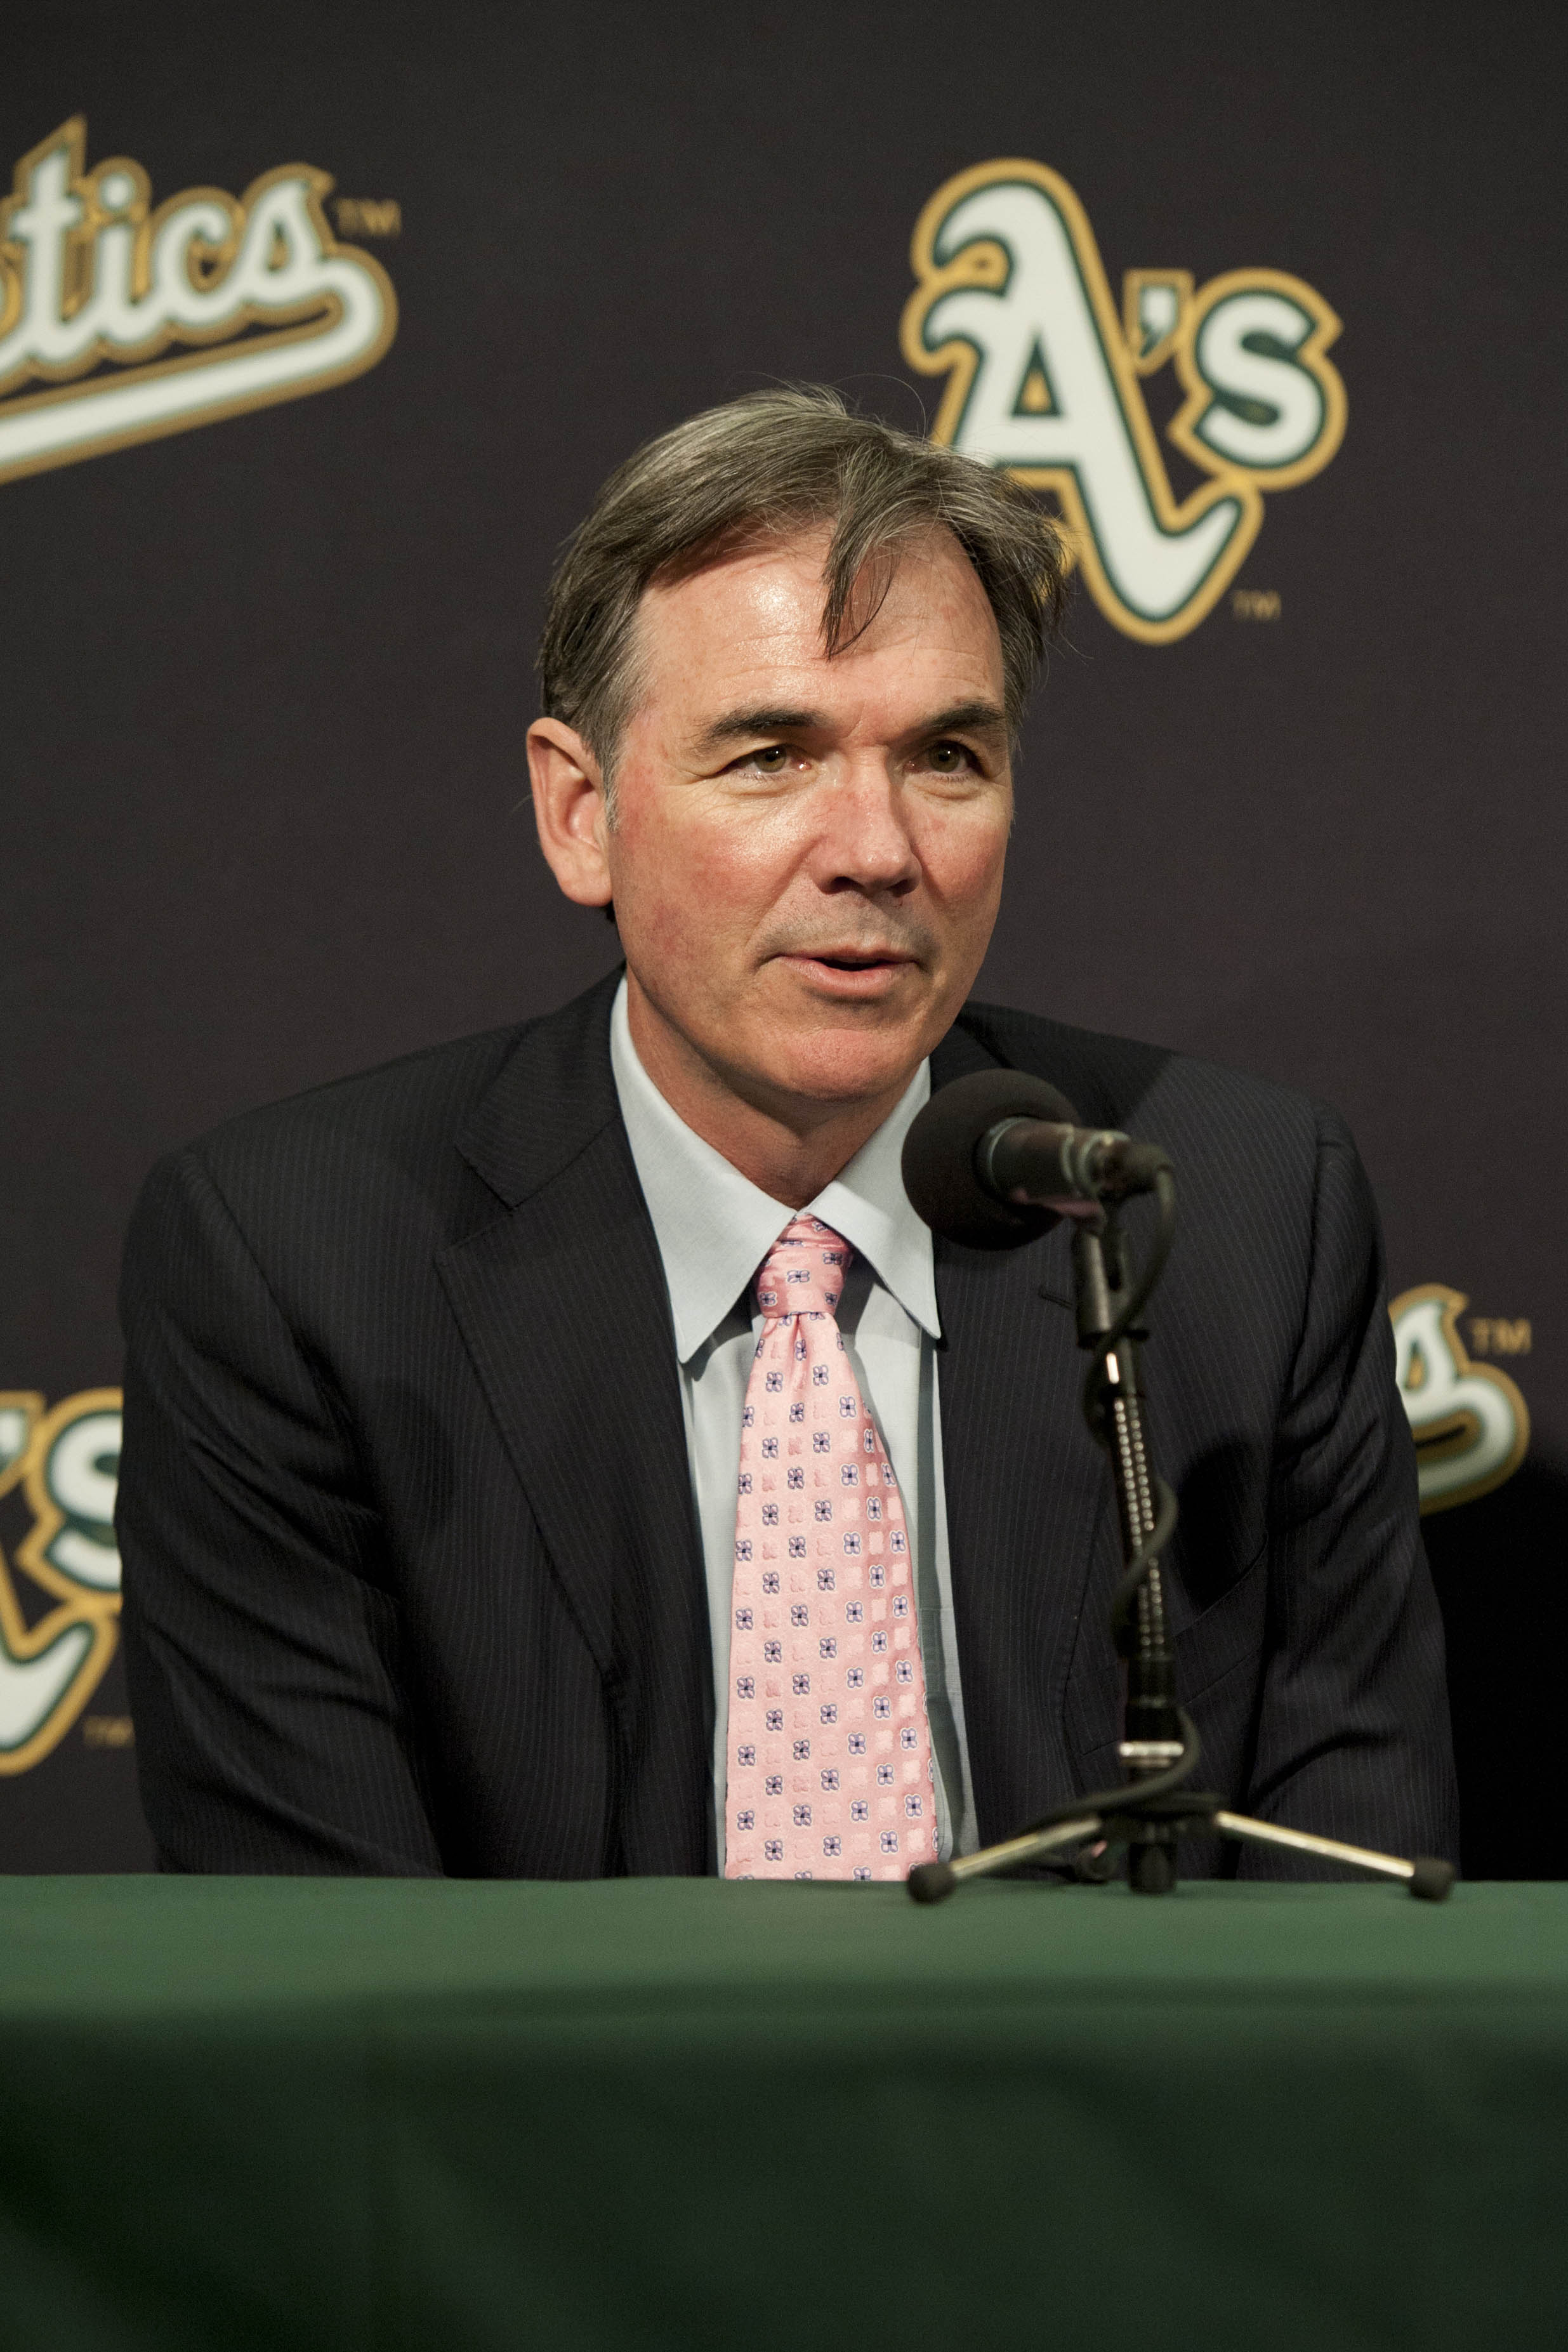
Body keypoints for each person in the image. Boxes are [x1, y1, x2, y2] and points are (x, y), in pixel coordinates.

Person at [116, 387, 1458, 1879]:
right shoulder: (302, 1258)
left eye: (948, 755)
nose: (879, 849)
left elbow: (1345, 1896)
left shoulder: (1234, 1215)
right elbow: (325, 1983)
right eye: (771, 755)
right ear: (581, 812)